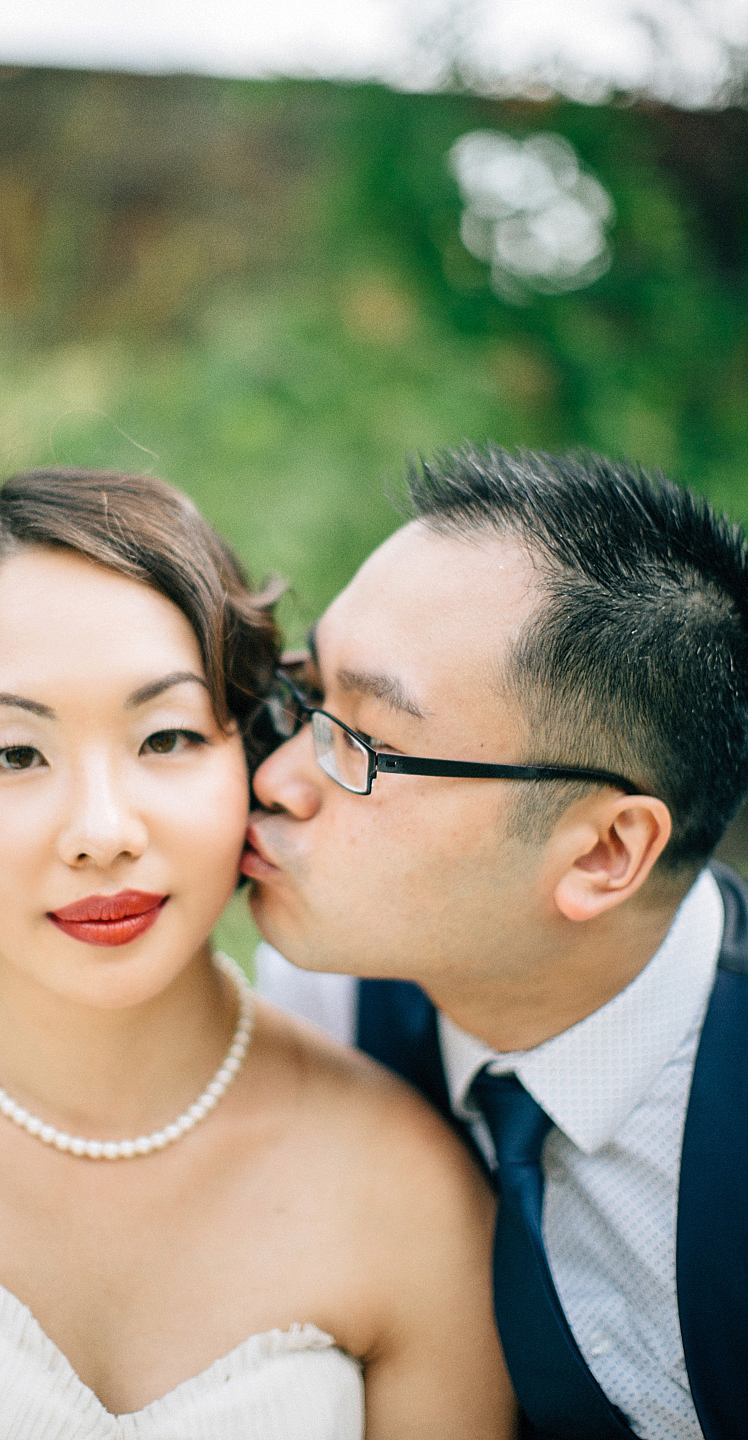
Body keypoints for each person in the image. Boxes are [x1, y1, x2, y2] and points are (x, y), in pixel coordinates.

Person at [0, 467, 512, 1440]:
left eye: (166, 737)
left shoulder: (413, 1189)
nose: (100, 831)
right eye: (13, 754)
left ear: (256, 752)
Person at [246, 445, 748, 1440]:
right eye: (308, 694)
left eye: (366, 745)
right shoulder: (316, 1011)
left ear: (606, 851)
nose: (278, 781)